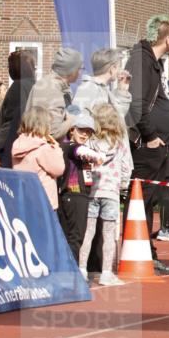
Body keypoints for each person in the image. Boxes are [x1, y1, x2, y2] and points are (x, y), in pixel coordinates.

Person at [124, 22, 169, 275]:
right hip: (146, 144)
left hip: (159, 144)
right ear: (167, 38)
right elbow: (137, 103)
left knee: (151, 199)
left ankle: (146, 251)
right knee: (142, 199)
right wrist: (150, 135)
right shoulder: (142, 60)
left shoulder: (153, 63)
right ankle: (141, 253)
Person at [77, 103, 133, 285]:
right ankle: (106, 273)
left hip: (92, 190)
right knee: (109, 233)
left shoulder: (90, 142)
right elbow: (126, 166)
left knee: (88, 231)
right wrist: (123, 183)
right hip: (111, 191)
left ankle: (82, 268)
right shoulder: (119, 142)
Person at [58, 109, 105, 262]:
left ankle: (67, 273)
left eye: (88, 132)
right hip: (73, 195)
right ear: (72, 130)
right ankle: (71, 275)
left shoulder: (72, 146)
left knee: (71, 237)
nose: (85, 134)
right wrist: (96, 156)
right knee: (75, 238)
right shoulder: (69, 146)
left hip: (75, 196)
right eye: (81, 130)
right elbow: (79, 151)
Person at [11, 107, 65, 210]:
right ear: (43, 125)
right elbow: (59, 169)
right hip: (43, 200)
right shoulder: (43, 149)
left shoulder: (18, 143)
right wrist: (56, 148)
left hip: (25, 198)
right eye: (49, 124)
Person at [0, 50, 36, 167]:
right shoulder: (33, 85)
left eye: (9, 66)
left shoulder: (18, 86)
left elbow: (12, 119)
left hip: (10, 144)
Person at [26, 47, 83, 139]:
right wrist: (72, 119)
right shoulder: (52, 90)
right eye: (80, 68)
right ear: (71, 71)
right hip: (44, 150)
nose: (81, 72)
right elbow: (52, 133)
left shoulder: (53, 84)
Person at [73, 47, 131, 118]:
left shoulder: (103, 89)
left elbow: (117, 118)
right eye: (119, 67)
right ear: (112, 69)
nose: (120, 71)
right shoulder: (88, 88)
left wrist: (122, 90)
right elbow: (77, 120)